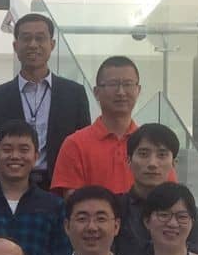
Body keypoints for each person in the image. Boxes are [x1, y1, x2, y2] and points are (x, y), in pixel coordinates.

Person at [0, 12, 92, 181]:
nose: (33, 44)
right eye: (26, 38)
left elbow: (84, 144)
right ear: (15, 45)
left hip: (60, 184)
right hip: (11, 184)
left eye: (40, 38)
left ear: (52, 44)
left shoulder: (74, 94)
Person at [113, 125, 198, 255]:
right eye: (143, 154)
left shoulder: (188, 213)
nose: (152, 163)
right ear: (129, 161)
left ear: (174, 163)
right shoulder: (114, 209)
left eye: (162, 155)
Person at [49, 55, 143, 195]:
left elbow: (167, 197)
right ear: (97, 92)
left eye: (128, 84)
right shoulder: (75, 144)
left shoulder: (148, 144)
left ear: (138, 90)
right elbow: (72, 201)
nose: (121, 92)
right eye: (113, 84)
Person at [0, 122, 71, 255]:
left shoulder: (53, 206)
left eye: (24, 150)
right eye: (7, 150)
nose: (15, 156)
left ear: (36, 157)